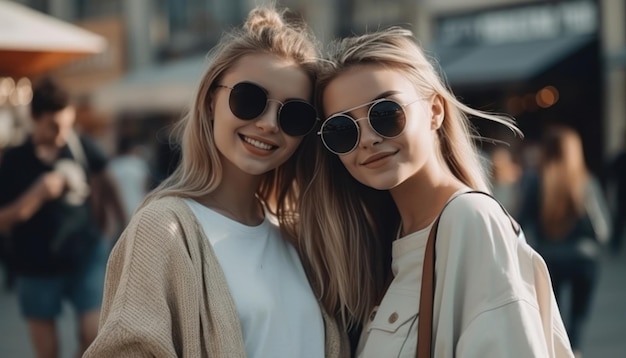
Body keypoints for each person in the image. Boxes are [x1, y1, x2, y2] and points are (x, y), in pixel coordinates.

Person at [84, 6, 348, 358]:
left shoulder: (299, 235)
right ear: (211, 102)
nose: (269, 124)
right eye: (249, 99)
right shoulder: (163, 228)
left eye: (294, 114)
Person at [297, 27, 574, 357]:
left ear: (435, 111)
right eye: (342, 129)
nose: (368, 138)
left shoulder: (470, 221)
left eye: (385, 113)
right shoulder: (394, 244)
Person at [0, 78, 125, 358]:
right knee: (48, 351)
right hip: (34, 266)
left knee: (93, 337)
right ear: (34, 118)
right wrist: (38, 194)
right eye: (53, 126)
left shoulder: (80, 145)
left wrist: (121, 225)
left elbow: (109, 180)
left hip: (85, 254)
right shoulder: (14, 159)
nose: (61, 134)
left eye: (67, 125)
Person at [518, 125, 611, 357]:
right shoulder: (585, 183)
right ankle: (575, 350)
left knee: (551, 318)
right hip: (583, 260)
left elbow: (519, 223)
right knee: (577, 318)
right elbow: (602, 231)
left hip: (547, 260)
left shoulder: (533, 182)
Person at [605, 129, 626, 254]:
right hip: (622, 194)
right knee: (619, 222)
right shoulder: (619, 158)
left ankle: (615, 246)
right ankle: (615, 246)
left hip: (621, 194)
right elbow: (610, 176)